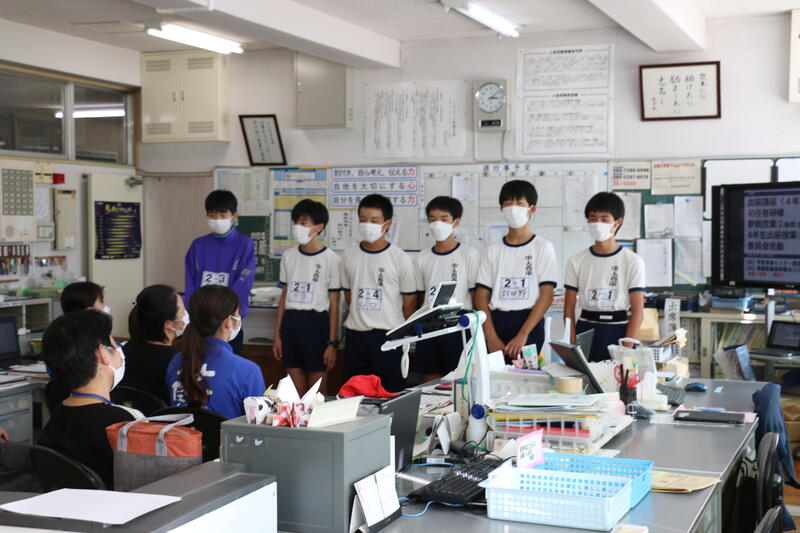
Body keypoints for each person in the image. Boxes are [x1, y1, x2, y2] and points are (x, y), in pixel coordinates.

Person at [38, 310, 134, 489]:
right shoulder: (120, 423)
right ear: (103, 354)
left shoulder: (56, 418)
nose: (119, 353)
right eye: (115, 347)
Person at [340, 194, 416, 392]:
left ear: (387, 223)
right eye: (363, 219)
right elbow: (348, 295)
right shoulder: (348, 255)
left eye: (374, 221)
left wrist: (404, 334)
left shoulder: (399, 258)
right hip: (356, 336)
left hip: (389, 336)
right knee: (355, 396)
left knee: (390, 394)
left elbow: (409, 301)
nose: (368, 225)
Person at [475, 180, 557, 361]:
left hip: (529, 322)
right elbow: (481, 295)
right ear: (501, 209)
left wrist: (524, 334)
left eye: (520, 203)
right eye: (508, 203)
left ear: (532, 209)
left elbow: (547, 294)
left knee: (527, 376)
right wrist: (491, 336)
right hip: (496, 322)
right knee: (495, 376)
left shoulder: (543, 247)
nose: (513, 208)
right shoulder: (492, 249)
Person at [564, 192, 645, 361]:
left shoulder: (632, 261)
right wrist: (570, 344)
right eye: (593, 218)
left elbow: (638, 310)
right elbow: (569, 309)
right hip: (585, 328)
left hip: (618, 330)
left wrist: (626, 349)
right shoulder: (576, 261)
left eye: (604, 218)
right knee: (583, 377)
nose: (597, 223)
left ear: (618, 222)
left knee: (617, 377)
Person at [166, 285, 265, 419]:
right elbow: (257, 425)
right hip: (226, 434)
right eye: (237, 314)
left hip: (181, 432)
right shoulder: (248, 371)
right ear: (228, 321)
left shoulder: (177, 361)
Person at [273, 200, 341, 396]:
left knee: (316, 394)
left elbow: (335, 304)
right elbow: (284, 297)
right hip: (291, 323)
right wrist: (277, 336)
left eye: (303, 223)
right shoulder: (289, 256)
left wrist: (332, 343)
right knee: (295, 393)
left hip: (316, 325)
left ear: (319, 227)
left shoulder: (331, 259)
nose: (297, 227)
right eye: (295, 222)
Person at [413, 196, 479, 382]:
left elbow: (476, 295)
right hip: (429, 322)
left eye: (444, 218)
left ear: (455, 222)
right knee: (430, 379)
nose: (437, 224)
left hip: (459, 322)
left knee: (460, 379)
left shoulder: (469, 254)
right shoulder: (421, 258)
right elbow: (419, 297)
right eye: (432, 219)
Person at [184, 190, 255, 354]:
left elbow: (244, 283)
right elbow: (190, 281)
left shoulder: (245, 244)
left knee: (228, 363)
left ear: (234, 215)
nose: (217, 219)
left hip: (228, 320)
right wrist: (193, 311)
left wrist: (229, 312)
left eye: (223, 215)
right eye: (212, 215)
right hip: (201, 319)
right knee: (198, 363)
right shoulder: (198, 245)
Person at [45, 281, 109, 412]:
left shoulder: (55, 335)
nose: (104, 306)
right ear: (90, 310)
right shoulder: (98, 343)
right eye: (101, 301)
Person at [120, 285, 189, 403]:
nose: (186, 315)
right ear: (169, 324)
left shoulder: (122, 353)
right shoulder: (178, 361)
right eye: (183, 310)